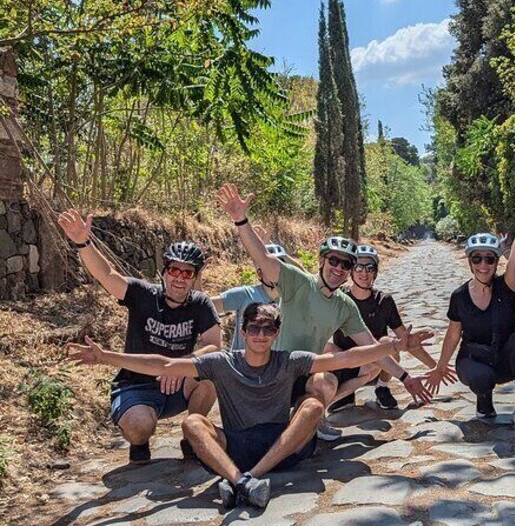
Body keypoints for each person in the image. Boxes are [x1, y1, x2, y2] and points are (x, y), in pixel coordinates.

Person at [68, 302, 430, 509]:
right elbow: (162, 364)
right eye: (254, 328)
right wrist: (104, 357)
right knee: (193, 424)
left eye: (268, 329)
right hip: (237, 444)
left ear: (276, 332)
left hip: (284, 445)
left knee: (313, 407)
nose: (260, 335)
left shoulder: (289, 359)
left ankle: (246, 479)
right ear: (243, 331)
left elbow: (346, 357)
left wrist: (393, 347)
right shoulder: (222, 362)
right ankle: (243, 479)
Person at [216, 183, 432, 441]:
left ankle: (312, 419)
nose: (338, 268)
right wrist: (241, 220)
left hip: (305, 372)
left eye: (346, 264)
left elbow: (371, 347)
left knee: (326, 382)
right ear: (321, 261)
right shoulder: (296, 281)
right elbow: (262, 257)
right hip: (273, 370)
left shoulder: (345, 306)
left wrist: (405, 378)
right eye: (333, 260)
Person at [57, 209, 221, 463]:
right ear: (164, 272)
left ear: (195, 278)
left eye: (187, 273)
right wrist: (82, 241)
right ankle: (140, 442)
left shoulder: (200, 304)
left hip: (177, 385)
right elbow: (106, 274)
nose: (179, 278)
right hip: (136, 384)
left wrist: (178, 367)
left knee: (209, 379)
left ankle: (192, 434)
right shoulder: (142, 294)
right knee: (139, 427)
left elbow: (214, 347)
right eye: (174, 271)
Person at [427, 192, 515, 432]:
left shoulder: (506, 287)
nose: (483, 265)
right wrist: (439, 367)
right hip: (473, 359)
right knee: (482, 379)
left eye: (489, 259)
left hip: (502, 356)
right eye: (477, 259)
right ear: (470, 261)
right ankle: (484, 399)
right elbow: (453, 335)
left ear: (496, 262)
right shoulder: (459, 296)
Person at [327, 245, 450, 411]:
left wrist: (436, 368)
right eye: (358, 267)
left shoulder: (384, 301)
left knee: (387, 342)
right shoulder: (339, 298)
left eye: (370, 268)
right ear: (351, 271)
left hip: (379, 365)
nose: (364, 273)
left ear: (376, 272)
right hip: (346, 364)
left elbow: (406, 340)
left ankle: (382, 387)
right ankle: (346, 394)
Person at [209, 224, 303, 351]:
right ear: (259, 273)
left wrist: (274, 251)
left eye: (280, 267)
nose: (275, 271)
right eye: (269, 266)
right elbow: (204, 306)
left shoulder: (291, 299)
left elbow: (307, 278)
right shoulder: (245, 294)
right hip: (240, 367)